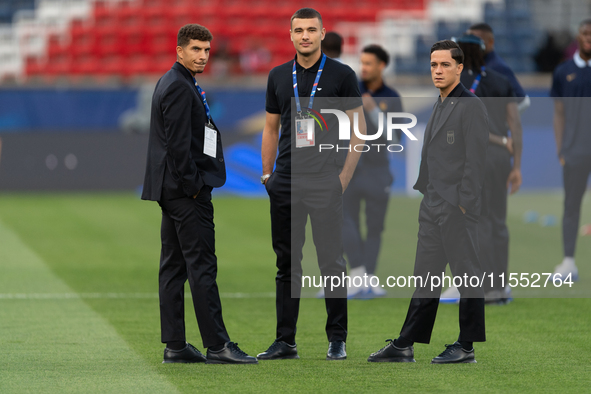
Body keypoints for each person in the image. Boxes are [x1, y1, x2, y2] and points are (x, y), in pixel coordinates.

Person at [141, 24, 257, 364]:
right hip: (184, 192)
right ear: (180, 51)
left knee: (174, 266)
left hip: (172, 190)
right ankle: (218, 345)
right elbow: (178, 146)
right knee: (202, 265)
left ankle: (175, 346)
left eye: (206, 50)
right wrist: (194, 187)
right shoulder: (178, 86)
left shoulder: (178, 81)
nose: (203, 56)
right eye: (195, 49)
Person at [367, 40, 488, 364]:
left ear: (460, 68)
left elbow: (477, 162)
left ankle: (466, 346)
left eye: (445, 65)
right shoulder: (440, 102)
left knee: (467, 276)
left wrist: (462, 204)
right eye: (434, 65)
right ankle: (405, 343)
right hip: (433, 202)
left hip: (455, 207)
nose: (437, 70)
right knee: (427, 276)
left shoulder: (471, 106)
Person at [258, 8, 365, 361]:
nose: (305, 35)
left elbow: (358, 129)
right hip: (286, 181)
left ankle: (337, 338)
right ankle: (285, 340)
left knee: (332, 262)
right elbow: (271, 128)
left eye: (311, 30)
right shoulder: (277, 76)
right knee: (287, 264)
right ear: (290, 35)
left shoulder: (342, 75)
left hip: (325, 180)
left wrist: (343, 178)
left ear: (322, 33)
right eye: (299, 30)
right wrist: (267, 175)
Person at [440, 34, 523, 305]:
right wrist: (517, 166)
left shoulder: (456, 84)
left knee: (478, 222)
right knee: (499, 221)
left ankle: (483, 289)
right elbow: (515, 125)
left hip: (474, 159)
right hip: (501, 159)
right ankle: (500, 287)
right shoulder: (501, 80)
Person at [342, 44, 403, 298]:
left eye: (368, 63)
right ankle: (357, 272)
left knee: (375, 227)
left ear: (381, 66)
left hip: (378, 171)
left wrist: (374, 111)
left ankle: (368, 277)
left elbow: (395, 136)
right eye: (362, 62)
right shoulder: (349, 89)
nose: (363, 68)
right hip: (351, 169)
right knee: (346, 220)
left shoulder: (392, 96)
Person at [551, 19, 591, 281]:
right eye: (586, 33)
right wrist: (560, 149)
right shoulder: (563, 71)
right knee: (571, 206)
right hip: (575, 151)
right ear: (578, 36)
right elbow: (558, 113)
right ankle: (568, 263)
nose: (589, 37)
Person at [468, 23, 531, 113]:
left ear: (490, 42)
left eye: (476, 41)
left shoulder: (497, 68)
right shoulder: (478, 65)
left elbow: (523, 101)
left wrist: (500, 122)